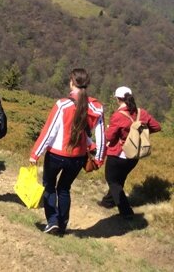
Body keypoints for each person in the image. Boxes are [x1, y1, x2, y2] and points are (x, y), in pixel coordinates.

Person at [30, 68, 105, 234]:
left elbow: (49, 131)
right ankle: (62, 225)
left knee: (49, 186)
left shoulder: (62, 105)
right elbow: (101, 136)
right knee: (64, 189)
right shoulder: (96, 108)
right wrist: (99, 159)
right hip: (78, 157)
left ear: (72, 82)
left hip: (56, 154)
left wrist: (36, 153)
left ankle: (52, 221)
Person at [99, 86, 161, 218]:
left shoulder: (118, 116)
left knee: (112, 181)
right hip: (134, 155)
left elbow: (109, 137)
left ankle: (126, 211)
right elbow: (156, 126)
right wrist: (139, 134)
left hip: (118, 154)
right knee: (119, 179)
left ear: (118, 99)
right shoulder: (141, 113)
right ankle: (108, 202)